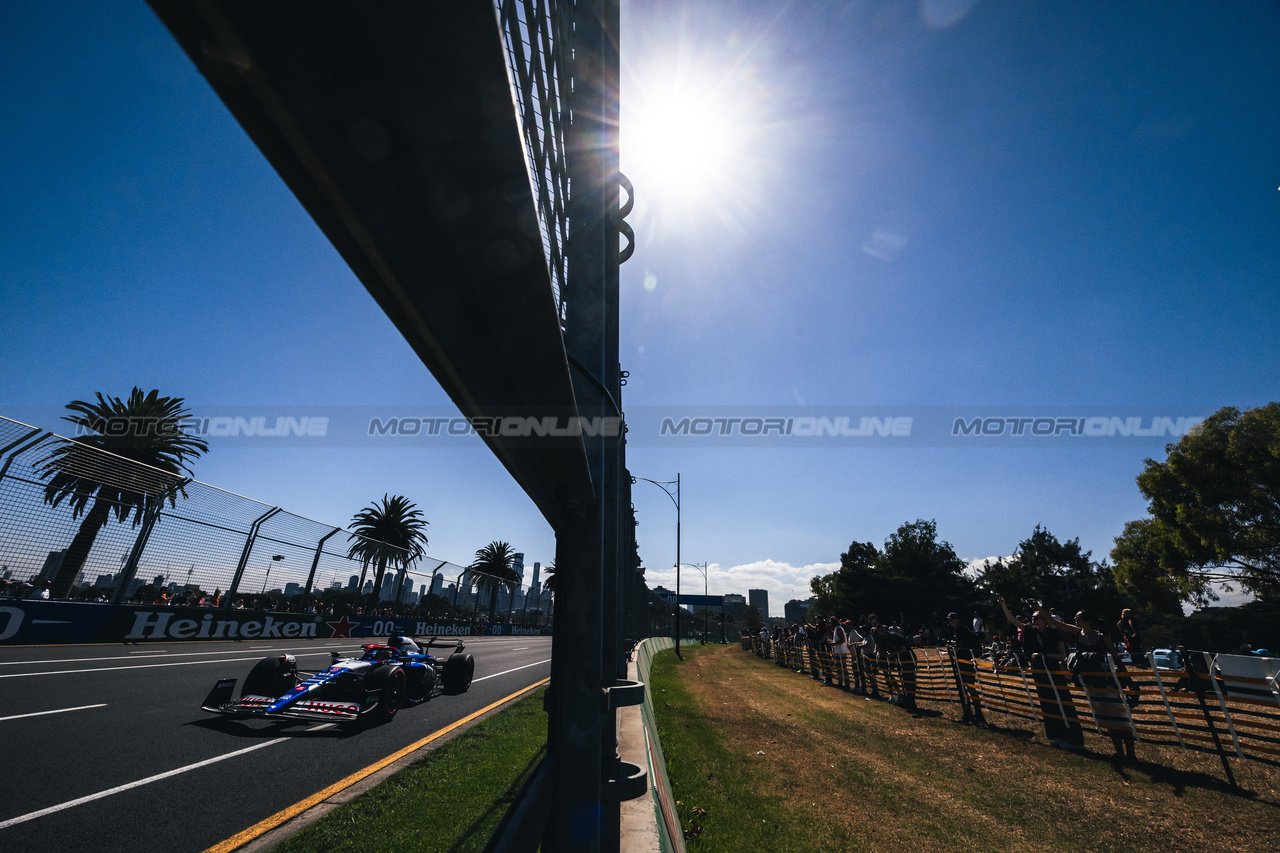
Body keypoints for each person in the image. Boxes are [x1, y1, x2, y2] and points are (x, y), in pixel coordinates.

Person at [1000, 596, 1083, 750]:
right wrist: (1004, 605)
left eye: (1036, 617)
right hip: (1039, 672)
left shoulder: (1054, 633)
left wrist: (1043, 656)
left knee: (1063, 703)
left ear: (1044, 619)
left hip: (1053, 671)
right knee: (1046, 703)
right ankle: (1055, 736)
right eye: (1031, 617)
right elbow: (1012, 620)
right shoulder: (1029, 631)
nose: (1032, 619)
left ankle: (1074, 739)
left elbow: (1063, 655)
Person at [1056, 609, 1136, 763]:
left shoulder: (1102, 638)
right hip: (1090, 682)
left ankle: (1131, 754)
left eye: (1078, 618)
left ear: (1087, 621)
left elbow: (1116, 658)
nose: (1075, 620)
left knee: (1119, 718)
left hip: (1105, 681)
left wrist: (1128, 679)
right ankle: (1119, 752)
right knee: (1106, 718)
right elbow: (1056, 623)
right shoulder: (1079, 634)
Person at [947, 611, 986, 725]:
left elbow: (963, 647)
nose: (950, 621)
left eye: (952, 619)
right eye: (949, 619)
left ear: (957, 619)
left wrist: (954, 651)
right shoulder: (960, 629)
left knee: (968, 688)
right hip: (964, 662)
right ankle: (970, 713)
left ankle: (976, 714)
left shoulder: (961, 630)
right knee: (966, 688)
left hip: (965, 663)